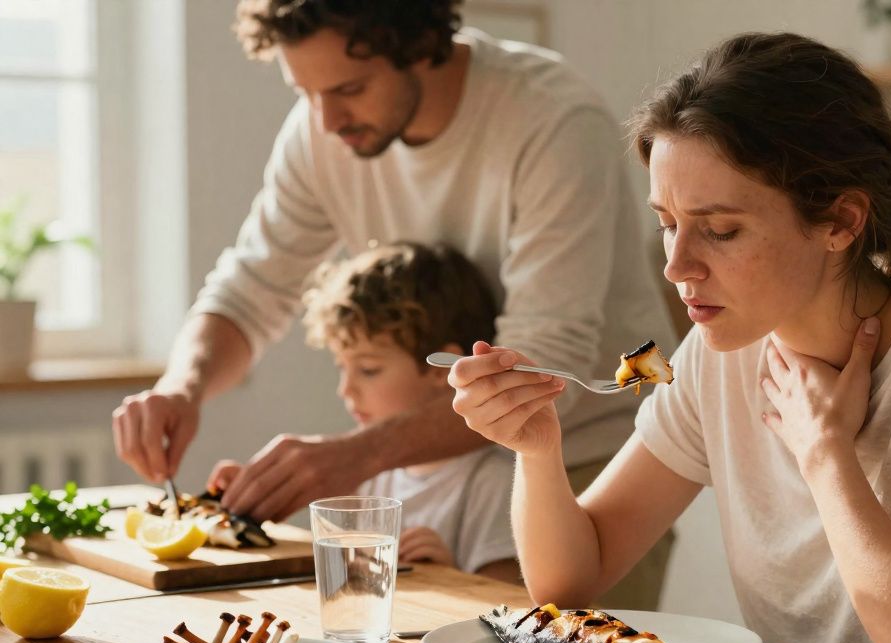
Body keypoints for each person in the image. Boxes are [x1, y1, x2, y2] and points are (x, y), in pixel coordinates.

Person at [446, 32, 891, 643]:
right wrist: (537, 449)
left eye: (720, 230)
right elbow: (569, 581)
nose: (677, 265)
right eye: (667, 223)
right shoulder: (717, 352)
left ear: (841, 221)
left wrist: (824, 452)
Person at [111, 0, 675, 608]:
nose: (326, 120)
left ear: (418, 44)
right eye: (306, 91)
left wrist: (353, 455)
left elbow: (531, 373)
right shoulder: (320, 129)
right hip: (433, 467)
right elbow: (251, 286)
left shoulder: (553, 118)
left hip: (581, 471)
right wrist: (180, 387)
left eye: (349, 87)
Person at [207, 243, 519, 582]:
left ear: (439, 369)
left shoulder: (493, 482)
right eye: (342, 367)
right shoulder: (372, 477)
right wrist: (247, 493)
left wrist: (447, 572)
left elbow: (511, 603)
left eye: (368, 369)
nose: (345, 390)